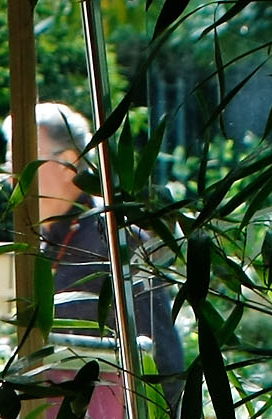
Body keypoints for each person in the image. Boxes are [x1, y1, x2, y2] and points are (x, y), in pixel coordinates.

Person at [17, 102, 186, 378]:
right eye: (11, 161)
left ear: (67, 164)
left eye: (24, 161)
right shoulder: (41, 243)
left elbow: (162, 363)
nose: (13, 176)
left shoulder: (116, 243)